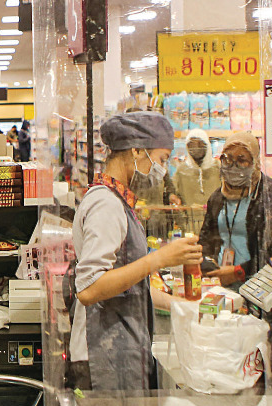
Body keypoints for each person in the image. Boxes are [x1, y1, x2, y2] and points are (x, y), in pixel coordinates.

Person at [70, 112, 202, 391]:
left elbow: (126, 282)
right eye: (162, 160)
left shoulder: (117, 200)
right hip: (101, 356)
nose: (163, 170)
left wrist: (177, 305)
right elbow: (90, 289)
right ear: (137, 151)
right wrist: (160, 258)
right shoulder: (105, 205)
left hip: (117, 349)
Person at [198, 131, 272, 287]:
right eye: (228, 159)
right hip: (221, 281)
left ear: (255, 162)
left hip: (259, 283)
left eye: (242, 160)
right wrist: (207, 264)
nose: (234, 166)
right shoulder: (218, 197)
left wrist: (239, 271)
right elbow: (206, 239)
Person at [171, 128, 221, 209]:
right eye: (192, 145)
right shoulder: (182, 170)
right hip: (190, 219)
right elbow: (173, 192)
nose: (196, 149)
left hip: (216, 219)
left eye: (200, 145)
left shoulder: (218, 167)